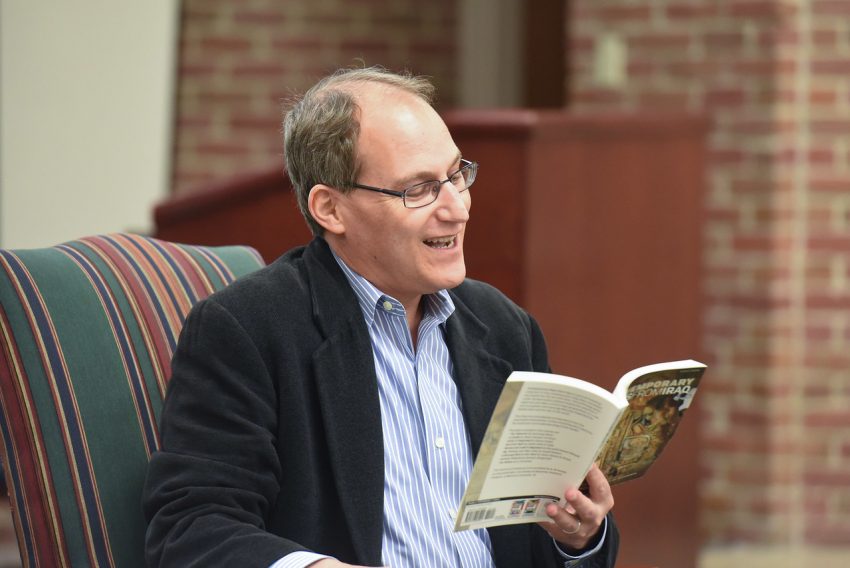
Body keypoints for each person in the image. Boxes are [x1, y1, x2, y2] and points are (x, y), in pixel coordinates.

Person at [143, 66, 619, 568]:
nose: (457, 210)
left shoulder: (504, 328)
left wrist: (579, 539)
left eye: (457, 175)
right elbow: (192, 528)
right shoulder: (249, 328)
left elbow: (539, 539)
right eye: (419, 189)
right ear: (331, 209)